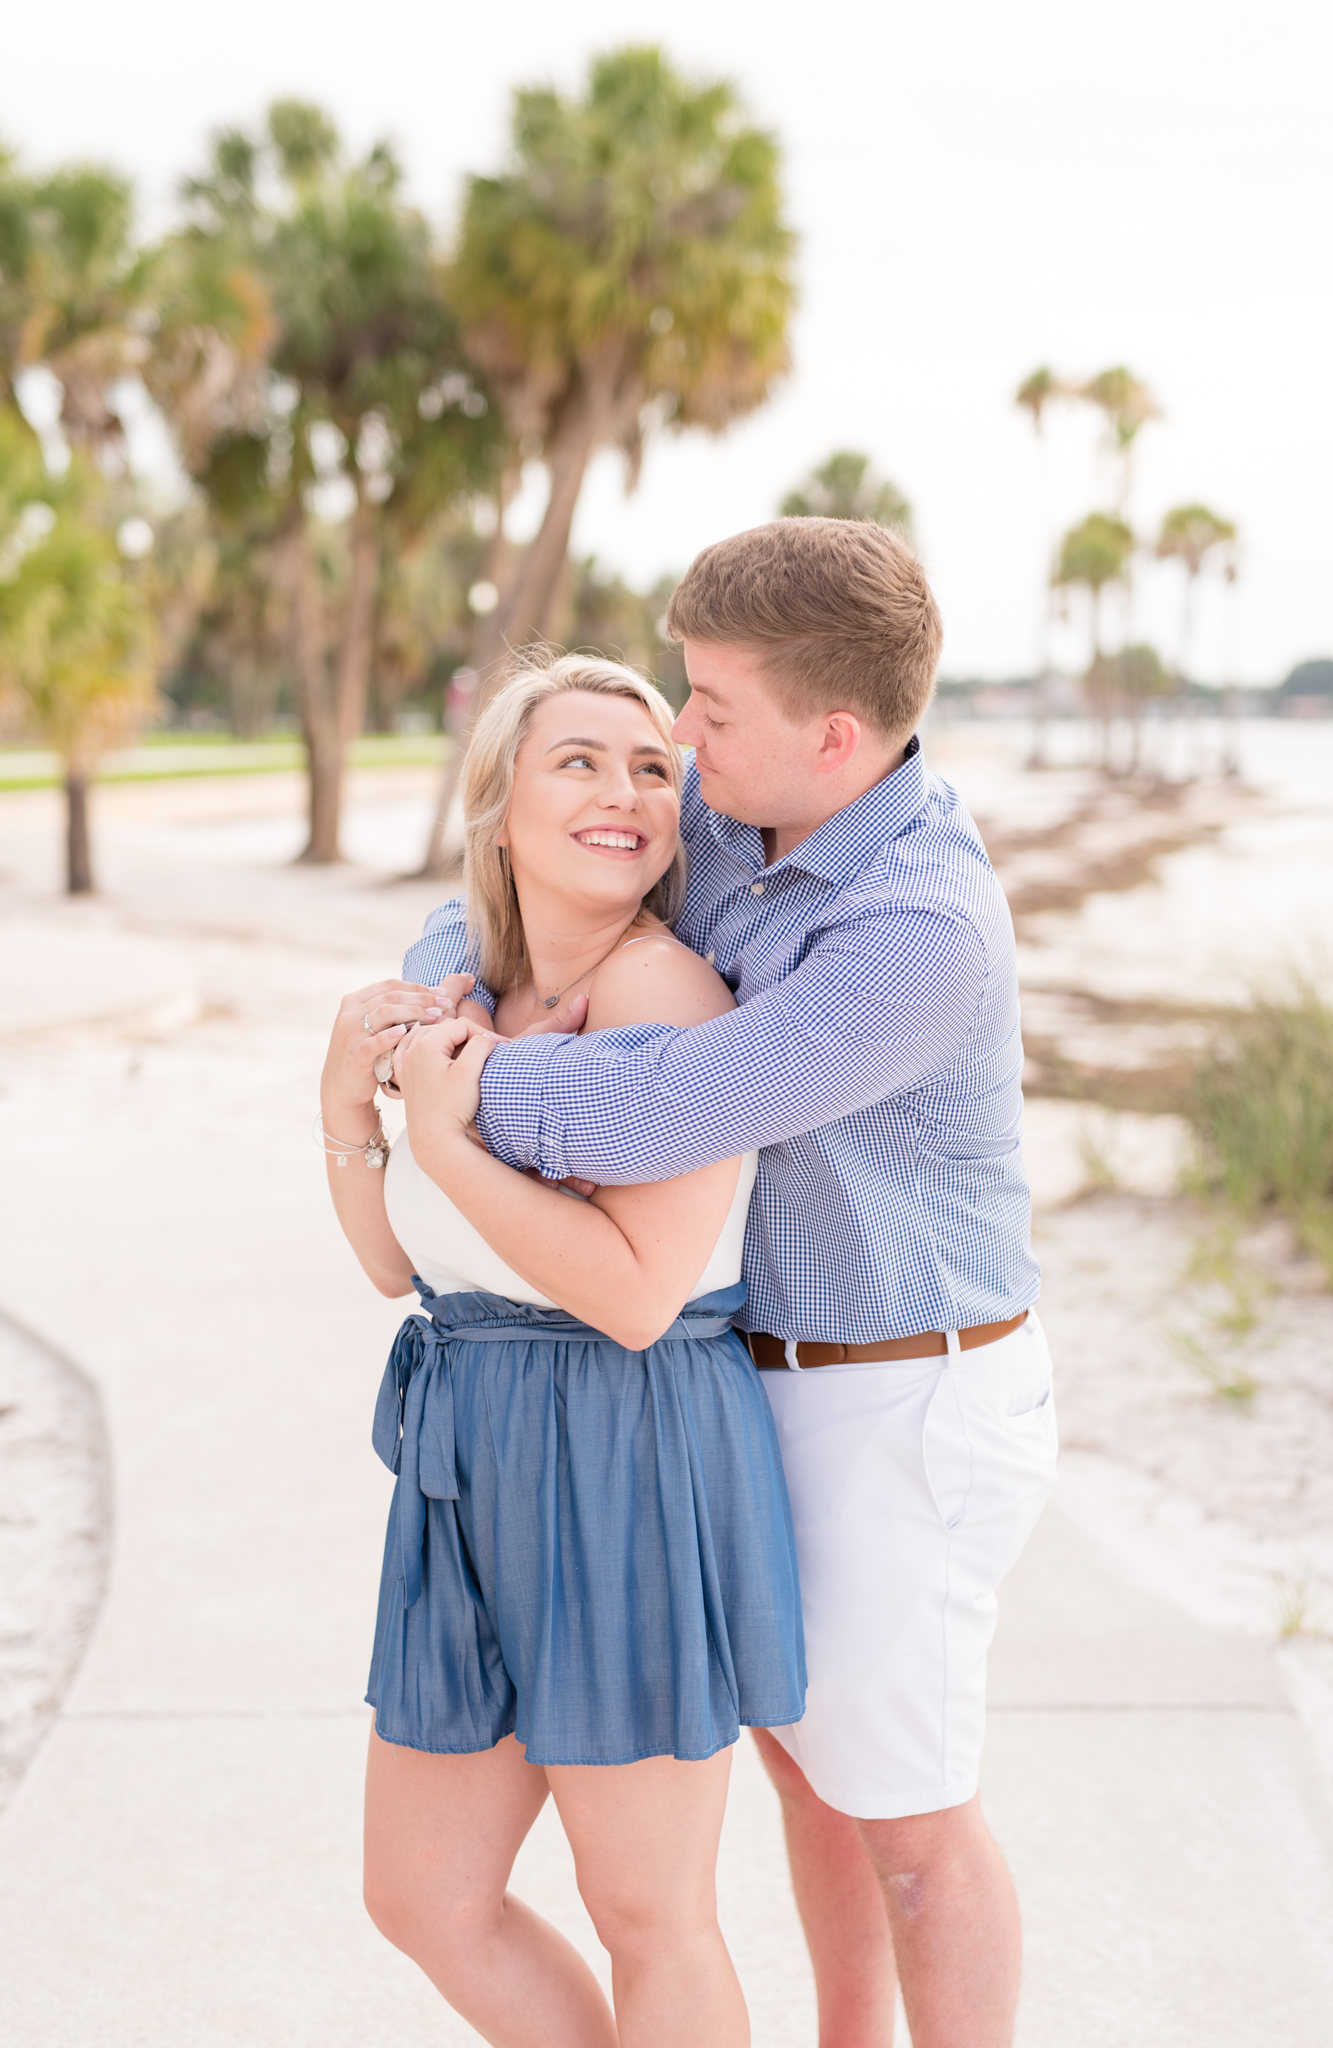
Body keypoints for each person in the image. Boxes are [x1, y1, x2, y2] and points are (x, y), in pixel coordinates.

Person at [407, 519, 1058, 2048]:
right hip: (763, 1376)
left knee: (909, 1822)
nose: (677, 744)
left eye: (708, 711)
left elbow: (659, 1109)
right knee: (808, 1775)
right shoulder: (740, 807)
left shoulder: (915, 932)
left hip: (909, 1393)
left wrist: (448, 1085)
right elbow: (528, 883)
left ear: (835, 735)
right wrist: (446, 977)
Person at [319, 655, 805, 2048]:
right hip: (468, 1451)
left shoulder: (669, 998)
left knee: (648, 1910)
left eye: (654, 766)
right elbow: (392, 1264)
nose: (626, 790)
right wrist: (349, 1102)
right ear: (500, 806)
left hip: (629, 1447)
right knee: (424, 1892)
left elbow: (640, 1296)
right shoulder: (474, 1001)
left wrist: (448, 1134)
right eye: (580, 760)